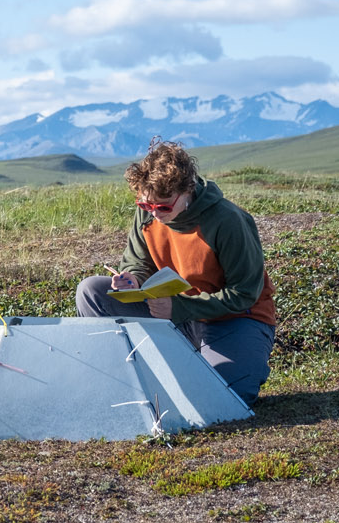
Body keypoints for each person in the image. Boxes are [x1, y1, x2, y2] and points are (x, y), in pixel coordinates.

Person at [75, 140, 275, 406]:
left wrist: (179, 308)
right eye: (147, 206)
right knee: (91, 292)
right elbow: (137, 262)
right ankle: (119, 377)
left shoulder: (228, 220)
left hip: (233, 319)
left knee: (224, 400)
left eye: (164, 207)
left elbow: (244, 293)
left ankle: (200, 367)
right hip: (170, 312)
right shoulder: (147, 213)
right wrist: (132, 278)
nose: (155, 215)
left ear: (187, 190)